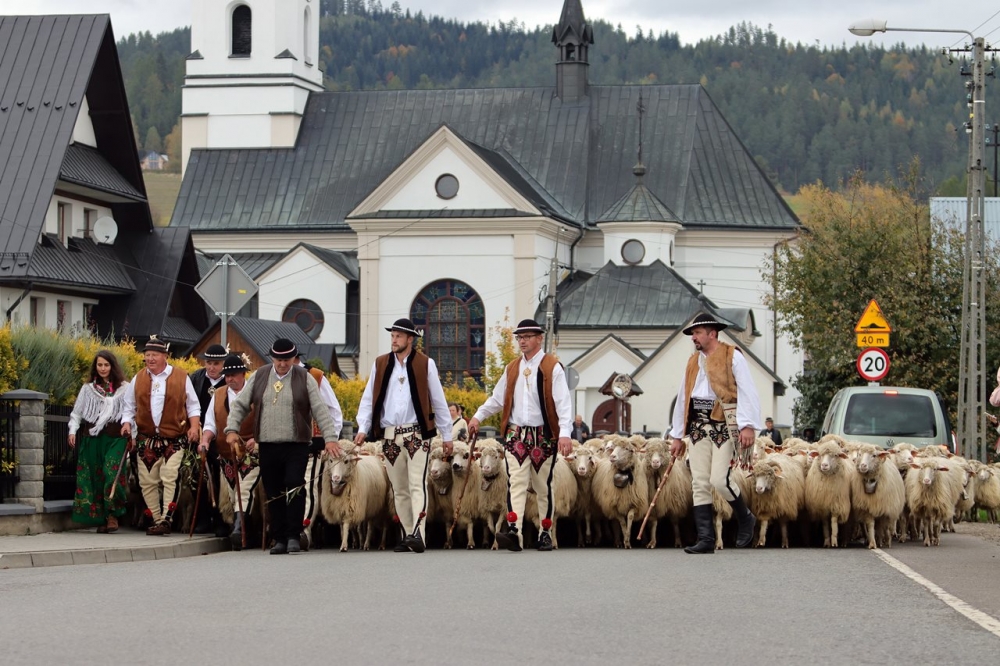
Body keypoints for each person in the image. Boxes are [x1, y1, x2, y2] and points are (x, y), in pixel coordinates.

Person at [225, 338, 340, 555]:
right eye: (279, 360)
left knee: (294, 485)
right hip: (267, 444)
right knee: (273, 491)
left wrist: (330, 437)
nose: (283, 364)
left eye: (287, 360)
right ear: (272, 358)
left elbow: (320, 410)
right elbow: (240, 404)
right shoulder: (259, 376)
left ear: (293, 358)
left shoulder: (304, 378)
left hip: (296, 444)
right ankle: (279, 538)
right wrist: (231, 429)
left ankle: (294, 536)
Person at [468, 319, 573, 552]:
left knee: (542, 486)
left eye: (527, 336)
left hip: (543, 435)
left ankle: (545, 532)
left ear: (539, 338)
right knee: (514, 482)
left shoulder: (551, 366)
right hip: (516, 434)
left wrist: (564, 433)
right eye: (519, 337)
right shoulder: (512, 368)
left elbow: (563, 403)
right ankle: (515, 531)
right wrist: (477, 417)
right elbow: (497, 399)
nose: (522, 341)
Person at [354, 318, 452, 553]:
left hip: (416, 434)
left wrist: (447, 434)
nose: (394, 339)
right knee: (399, 488)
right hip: (389, 435)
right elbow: (369, 399)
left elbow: (438, 400)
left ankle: (419, 533)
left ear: (410, 339)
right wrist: (362, 428)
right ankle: (409, 534)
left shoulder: (425, 364)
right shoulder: (380, 364)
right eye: (392, 336)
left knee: (416, 483)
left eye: (398, 336)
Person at [668, 313, 761, 554]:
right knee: (698, 482)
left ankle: (745, 517)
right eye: (693, 334)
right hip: (698, 426)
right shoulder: (692, 362)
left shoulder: (733, 356)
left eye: (697, 333)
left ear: (712, 333)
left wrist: (747, 425)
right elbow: (683, 398)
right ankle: (706, 539)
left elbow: (747, 391)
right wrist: (677, 435)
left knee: (719, 480)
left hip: (723, 424)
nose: (694, 338)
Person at [120, 336, 201, 536]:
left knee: (169, 475)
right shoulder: (138, 378)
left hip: (174, 438)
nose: (150, 359)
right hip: (146, 439)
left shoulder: (181, 377)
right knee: (147, 481)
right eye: (147, 355)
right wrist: (126, 423)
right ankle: (156, 519)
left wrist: (194, 426)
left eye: (154, 355)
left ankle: (167, 518)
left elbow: (193, 406)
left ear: (165, 356)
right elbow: (128, 406)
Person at [198, 353, 260, 550]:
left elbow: (266, 421)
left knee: (244, 490)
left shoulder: (257, 392)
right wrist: (205, 440)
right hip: (226, 454)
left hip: (251, 453)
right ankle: (246, 533)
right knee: (233, 495)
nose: (230, 379)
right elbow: (210, 423)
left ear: (243, 374)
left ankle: (238, 531)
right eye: (227, 376)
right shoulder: (218, 395)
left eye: (234, 375)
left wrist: (256, 438)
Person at [68, 350, 131, 533]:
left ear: (113, 366)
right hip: (93, 439)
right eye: (99, 365)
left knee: (111, 473)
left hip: (116, 438)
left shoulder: (124, 388)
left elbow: (131, 412)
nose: (103, 368)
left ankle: (113, 513)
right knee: (96, 477)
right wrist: (73, 430)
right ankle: (103, 518)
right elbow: (77, 412)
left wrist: (131, 434)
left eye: (106, 365)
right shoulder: (88, 389)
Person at [295, 353, 343, 549]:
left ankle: (303, 530)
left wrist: (330, 438)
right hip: (285, 442)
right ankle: (286, 529)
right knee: (287, 486)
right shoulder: (273, 376)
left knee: (307, 485)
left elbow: (334, 410)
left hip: (311, 442)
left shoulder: (315, 376)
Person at [189, 343, 228, 535]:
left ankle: (221, 520)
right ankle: (202, 519)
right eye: (209, 362)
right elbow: (187, 405)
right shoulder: (195, 378)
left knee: (221, 480)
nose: (212, 367)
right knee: (199, 478)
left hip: (222, 437)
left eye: (216, 363)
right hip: (200, 436)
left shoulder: (230, 380)